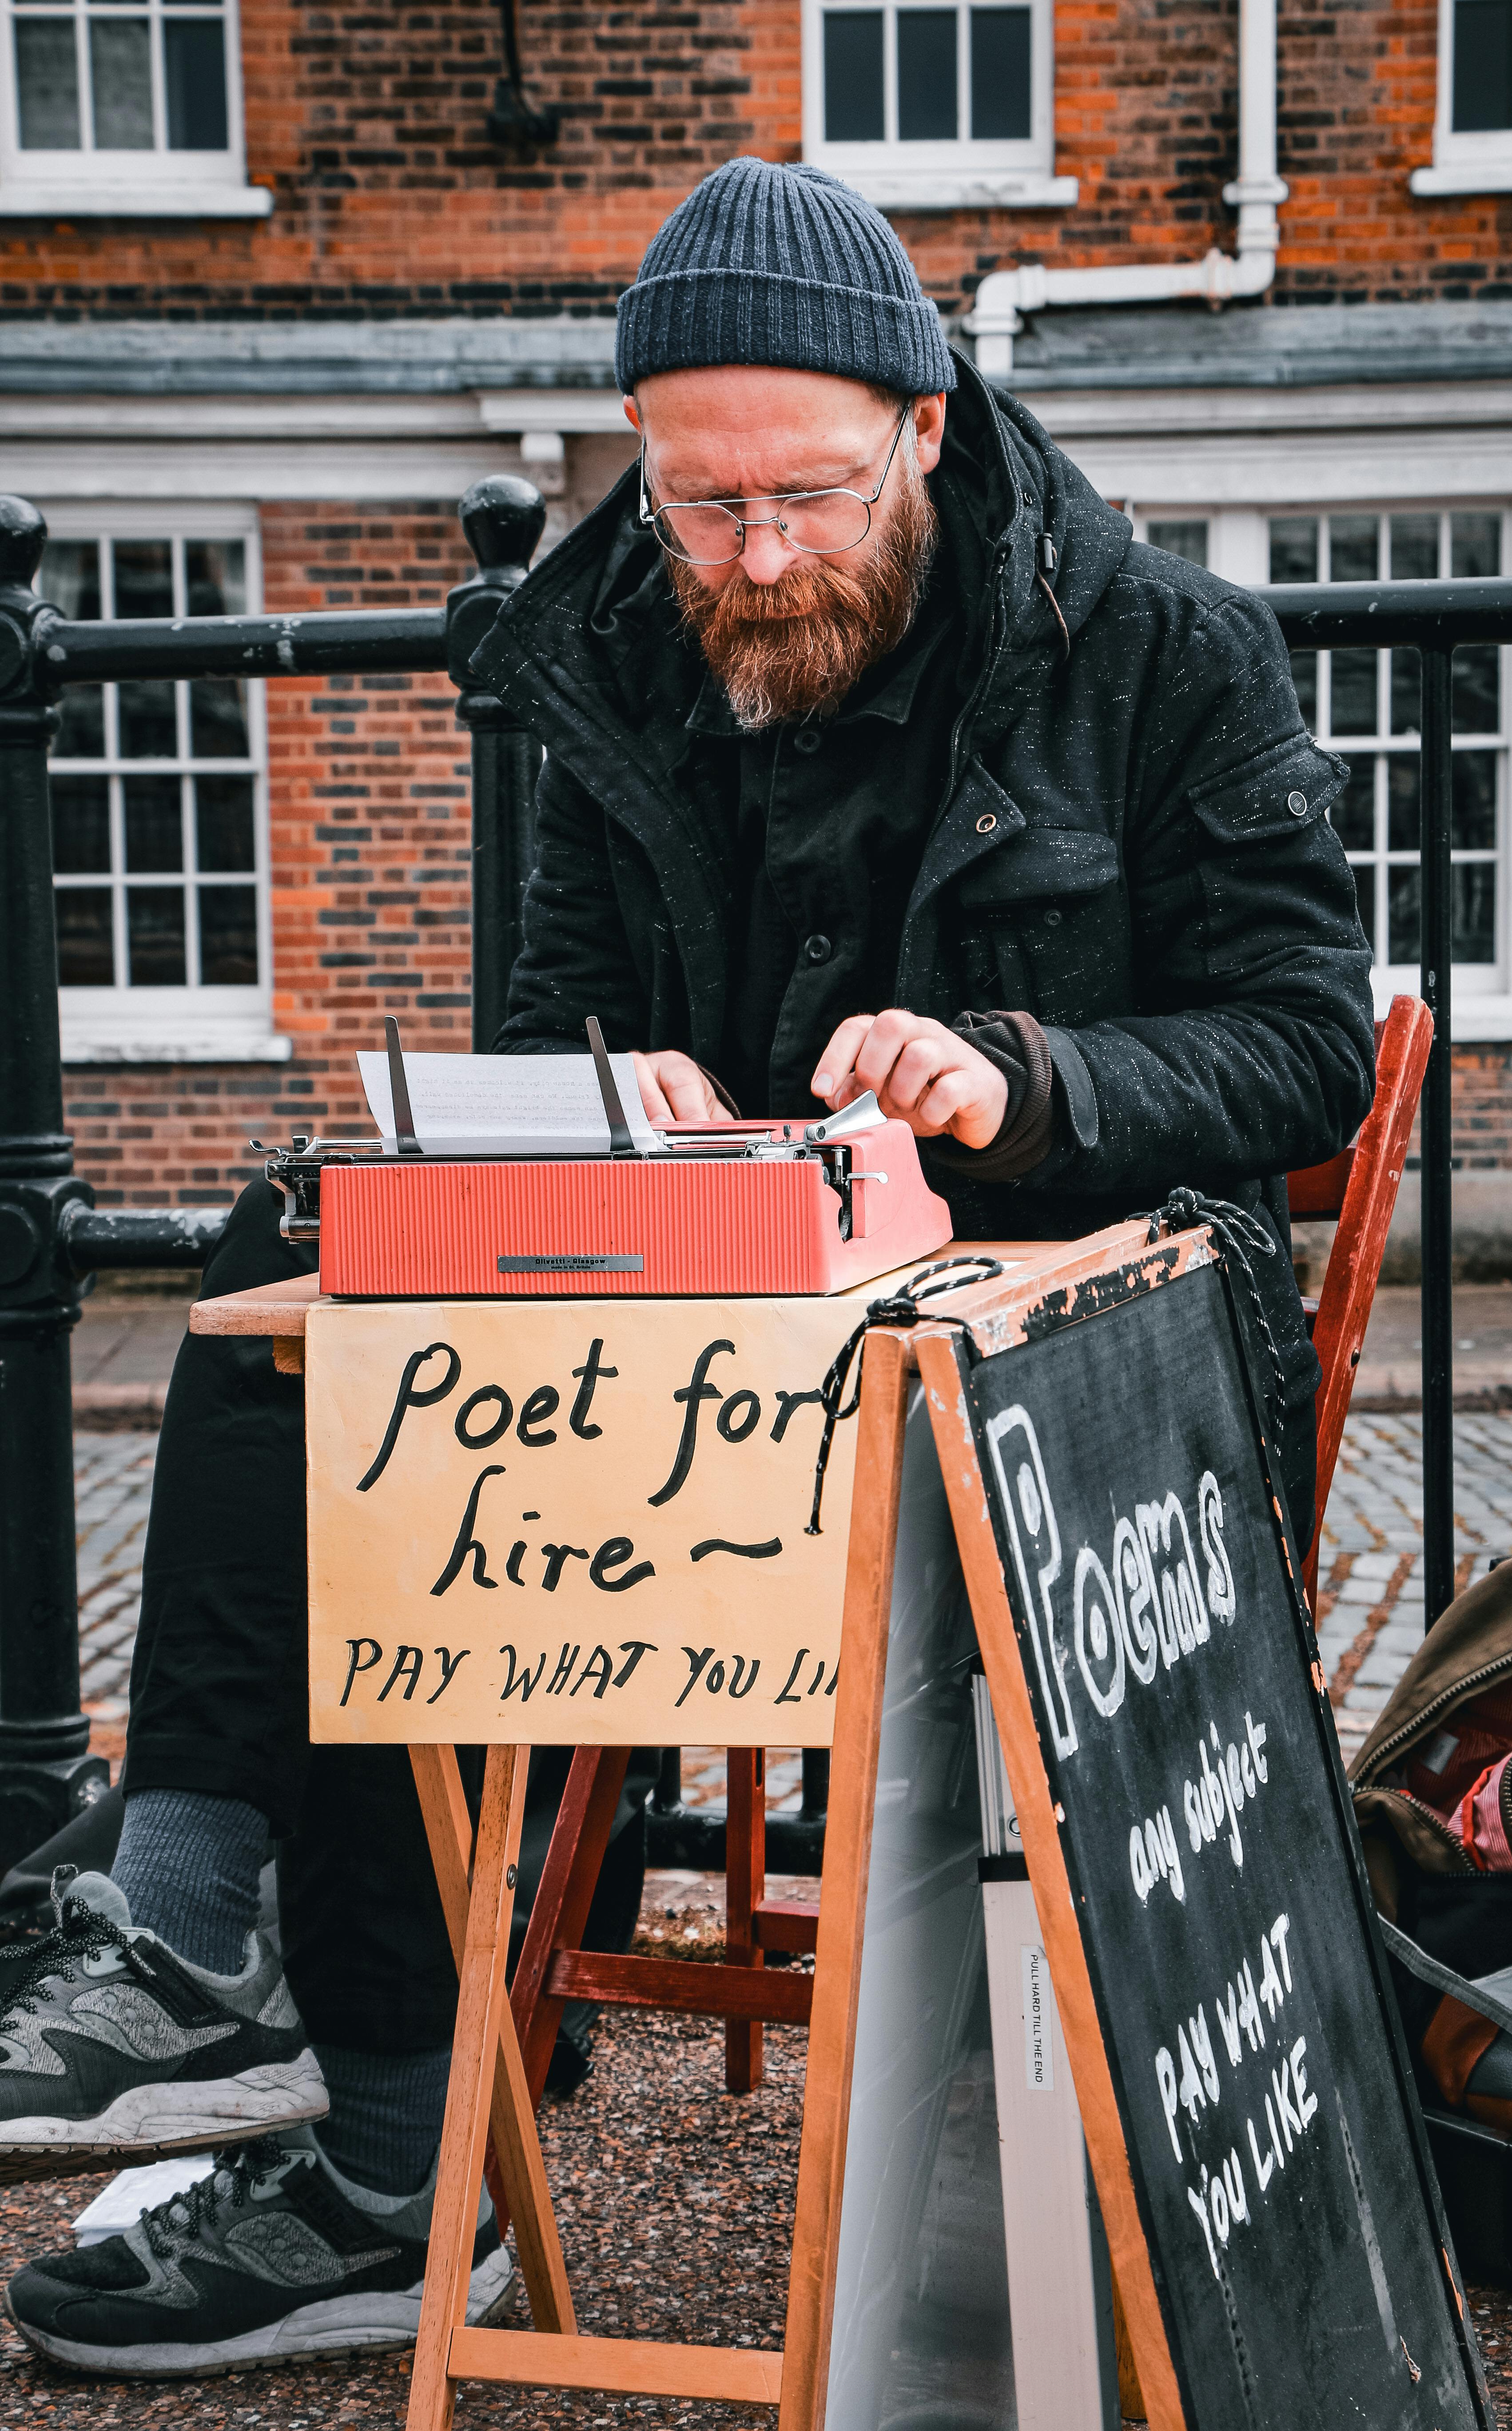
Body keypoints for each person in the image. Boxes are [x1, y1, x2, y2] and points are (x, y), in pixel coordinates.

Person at [0, 153, 1374, 2379]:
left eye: (808, 501)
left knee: (442, 1448)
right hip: (701, 1313)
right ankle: (213, 1940)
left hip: (1022, 1363)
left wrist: (1019, 1079)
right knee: (326, 1265)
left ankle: (367, 2148)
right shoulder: (608, 645)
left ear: (927, 425)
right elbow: (549, 1010)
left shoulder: (1160, 650)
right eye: (700, 503)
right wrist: (619, 1106)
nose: (753, 560)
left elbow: (1305, 1042)